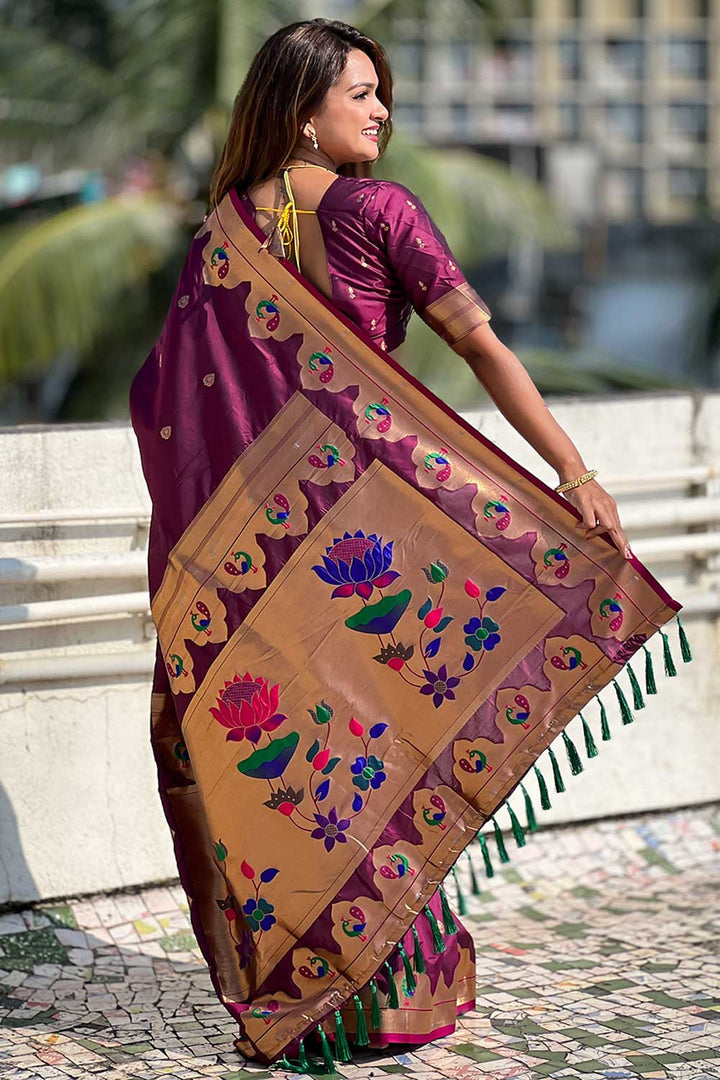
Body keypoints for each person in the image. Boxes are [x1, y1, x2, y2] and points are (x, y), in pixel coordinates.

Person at [129, 17, 685, 1071]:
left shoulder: (218, 241)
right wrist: (574, 472)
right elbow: (479, 341)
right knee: (374, 753)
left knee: (296, 768)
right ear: (303, 109)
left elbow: (163, 404)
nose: (382, 110)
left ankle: (299, 995)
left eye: (382, 92)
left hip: (244, 555)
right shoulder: (376, 209)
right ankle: (385, 997)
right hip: (366, 540)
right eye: (362, 92)